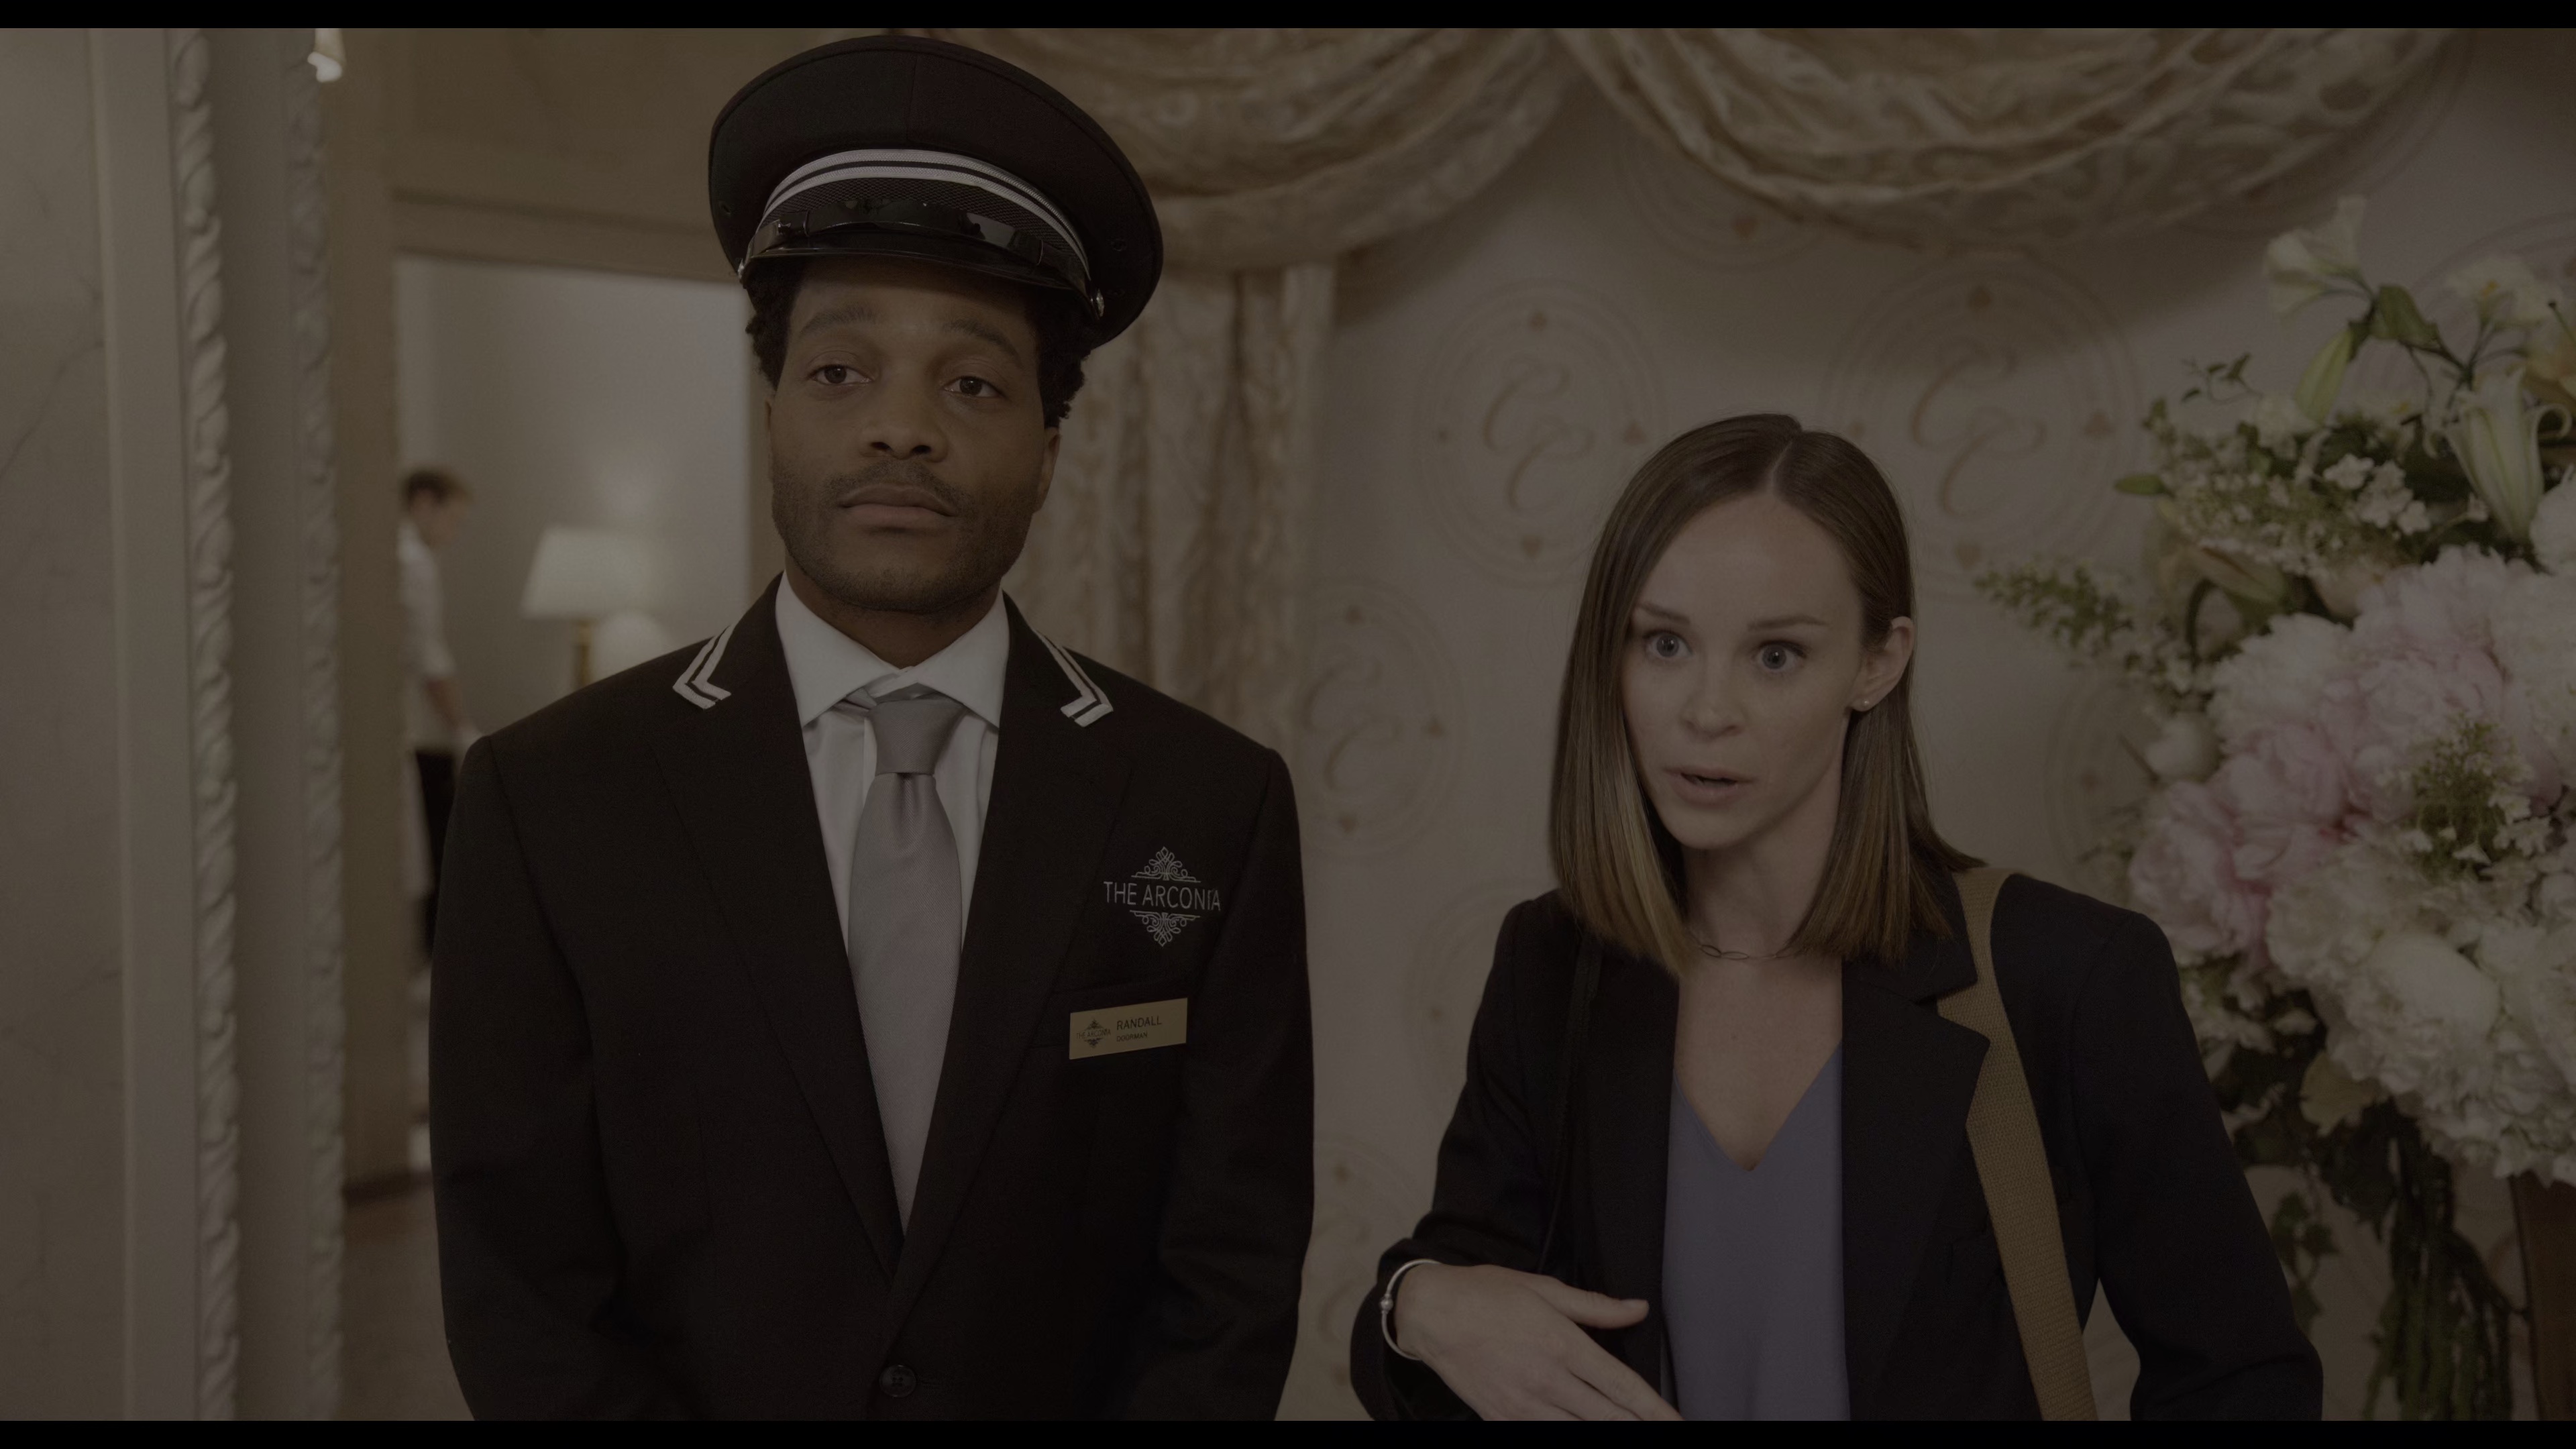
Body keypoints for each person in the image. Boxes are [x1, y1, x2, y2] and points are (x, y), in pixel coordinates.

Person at [431, 36, 1312, 1419]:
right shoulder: (551, 801)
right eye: (843, 372)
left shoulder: (1205, 805)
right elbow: (522, 1293)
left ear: (1049, 449)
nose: (903, 429)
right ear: (774, 410)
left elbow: (1230, 1274)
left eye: (973, 384)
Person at [1348, 415, 2320, 1420]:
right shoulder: (1553, 965)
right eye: (1665, 643)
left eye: (1775, 655)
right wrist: (1415, 1306)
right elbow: (1462, 1319)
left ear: (1877, 663)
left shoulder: (2068, 976)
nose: (1707, 710)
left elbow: (2245, 1379)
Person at [398, 466, 478, 951]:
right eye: (454, 519)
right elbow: (430, 657)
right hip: (416, 730)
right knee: (427, 846)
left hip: (412, 726)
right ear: (425, 503)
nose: (454, 533)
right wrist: (462, 727)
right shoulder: (414, 563)